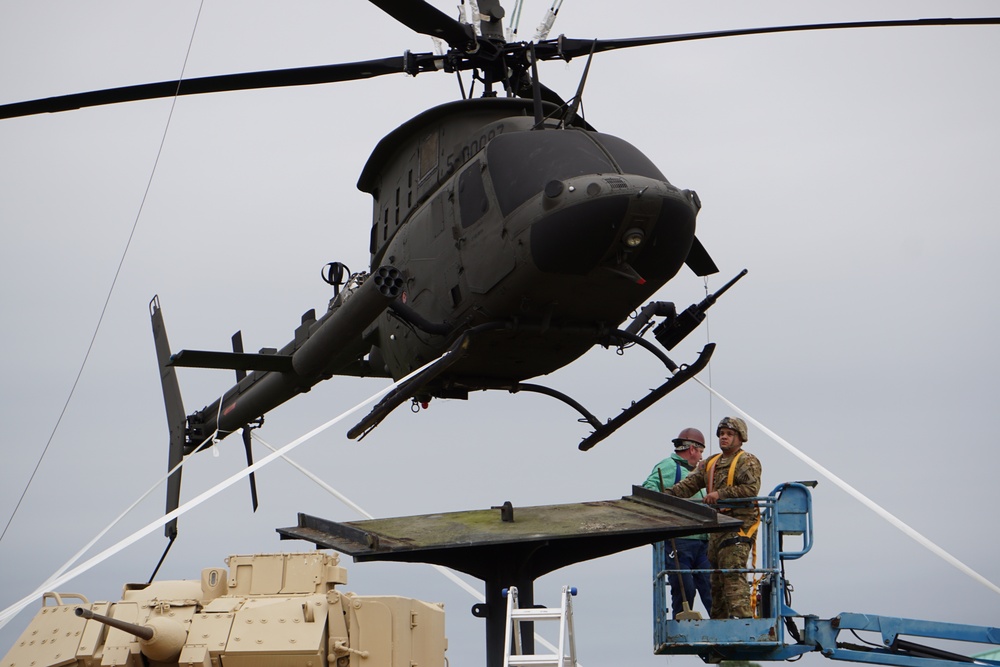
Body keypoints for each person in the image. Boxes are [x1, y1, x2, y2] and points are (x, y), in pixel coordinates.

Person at [662, 417, 761, 619]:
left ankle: (743, 622)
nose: (724, 437)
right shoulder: (711, 463)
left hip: (739, 526)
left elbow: (751, 489)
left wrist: (720, 494)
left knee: (732, 572)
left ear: (740, 438)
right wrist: (666, 496)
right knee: (715, 581)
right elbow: (689, 485)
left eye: (729, 434)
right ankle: (721, 623)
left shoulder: (747, 461)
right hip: (717, 528)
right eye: (721, 433)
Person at [642, 427, 712, 617]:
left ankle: (722, 624)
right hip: (680, 539)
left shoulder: (700, 473)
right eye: (701, 452)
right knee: (684, 587)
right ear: (693, 449)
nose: (700, 457)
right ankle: (682, 623)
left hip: (703, 540)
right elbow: (648, 489)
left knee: (711, 586)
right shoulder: (669, 466)